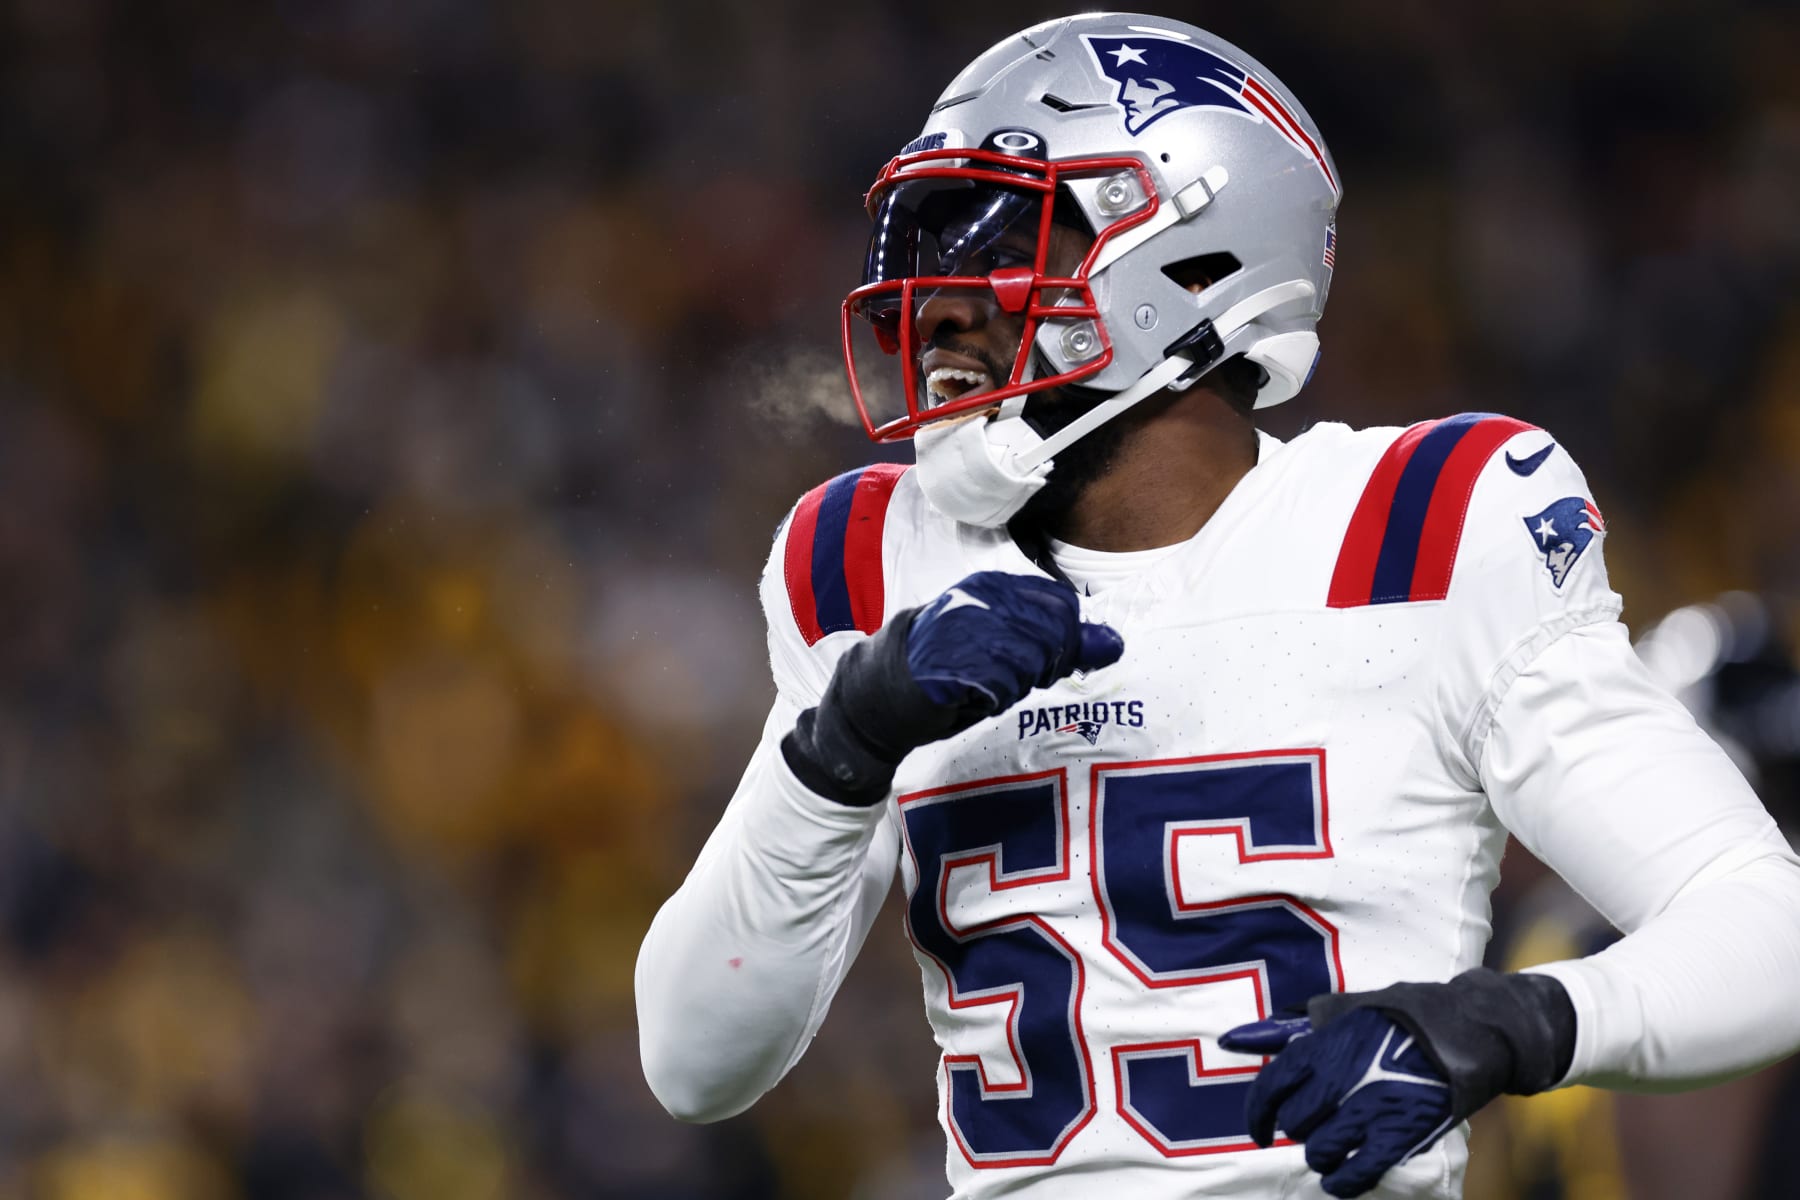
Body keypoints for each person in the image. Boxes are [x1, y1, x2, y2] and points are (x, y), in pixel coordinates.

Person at [635, 13, 1800, 1198]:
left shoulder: (1420, 528)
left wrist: (1510, 1023)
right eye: (926, 252)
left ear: (1195, 261)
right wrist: (836, 753)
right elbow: (691, 1062)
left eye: (1010, 237)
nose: (935, 305)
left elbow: (1769, 929)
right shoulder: (870, 559)